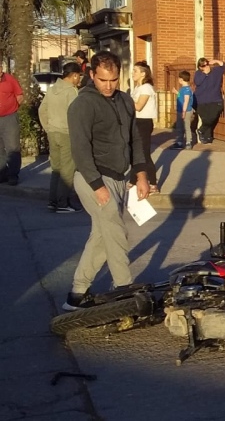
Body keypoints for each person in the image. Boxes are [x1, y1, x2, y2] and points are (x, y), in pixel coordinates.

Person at [64, 51, 150, 311]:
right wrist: (97, 186)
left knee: (102, 237)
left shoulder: (125, 100)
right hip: (93, 177)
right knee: (115, 231)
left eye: (113, 80)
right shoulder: (82, 104)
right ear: (92, 75)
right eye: (103, 80)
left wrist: (141, 175)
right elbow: (80, 149)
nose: (108, 85)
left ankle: (77, 294)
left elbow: (135, 139)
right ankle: (124, 289)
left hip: (119, 178)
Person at [39, 62, 82, 212]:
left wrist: (48, 127)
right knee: (67, 170)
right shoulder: (71, 91)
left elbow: (42, 110)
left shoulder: (51, 90)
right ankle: (63, 203)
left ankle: (53, 201)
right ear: (74, 75)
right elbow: (76, 115)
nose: (79, 80)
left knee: (56, 169)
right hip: (67, 133)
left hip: (53, 133)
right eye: (79, 76)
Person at [129, 61, 158, 193]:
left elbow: (139, 106)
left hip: (144, 122)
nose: (133, 73)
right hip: (136, 121)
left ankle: (153, 182)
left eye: (135, 71)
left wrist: (124, 99)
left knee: (144, 153)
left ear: (143, 73)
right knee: (135, 152)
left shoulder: (146, 88)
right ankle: (133, 180)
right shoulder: (137, 88)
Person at [194, 57, 225, 144]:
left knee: (213, 116)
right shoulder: (198, 74)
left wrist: (216, 61)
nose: (206, 66)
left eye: (207, 64)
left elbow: (224, 66)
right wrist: (205, 74)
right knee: (206, 118)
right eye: (203, 65)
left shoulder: (216, 71)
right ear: (200, 67)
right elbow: (197, 82)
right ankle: (207, 137)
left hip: (215, 99)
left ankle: (201, 130)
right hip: (201, 100)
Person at [0, 66, 23, 186]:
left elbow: (19, 95)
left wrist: (12, 108)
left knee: (12, 147)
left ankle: (13, 175)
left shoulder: (10, 79)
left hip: (9, 118)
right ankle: (2, 174)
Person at [170, 70, 195, 150]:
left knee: (186, 126)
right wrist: (177, 92)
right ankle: (180, 142)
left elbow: (186, 101)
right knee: (180, 126)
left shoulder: (187, 89)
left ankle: (188, 142)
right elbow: (182, 96)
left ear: (181, 79)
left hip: (186, 111)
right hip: (181, 110)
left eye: (179, 78)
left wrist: (183, 112)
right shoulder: (183, 89)